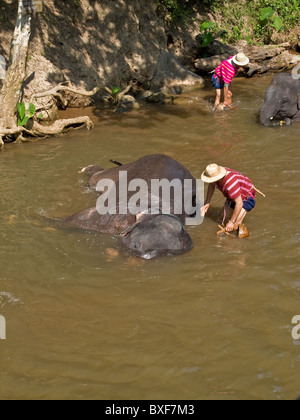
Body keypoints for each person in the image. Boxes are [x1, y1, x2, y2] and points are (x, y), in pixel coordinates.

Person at [200, 163, 256, 232]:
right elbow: (212, 185)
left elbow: (239, 204)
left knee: (236, 225)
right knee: (224, 217)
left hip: (245, 196)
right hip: (233, 194)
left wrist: (232, 222)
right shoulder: (216, 172)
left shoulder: (230, 184)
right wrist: (207, 202)